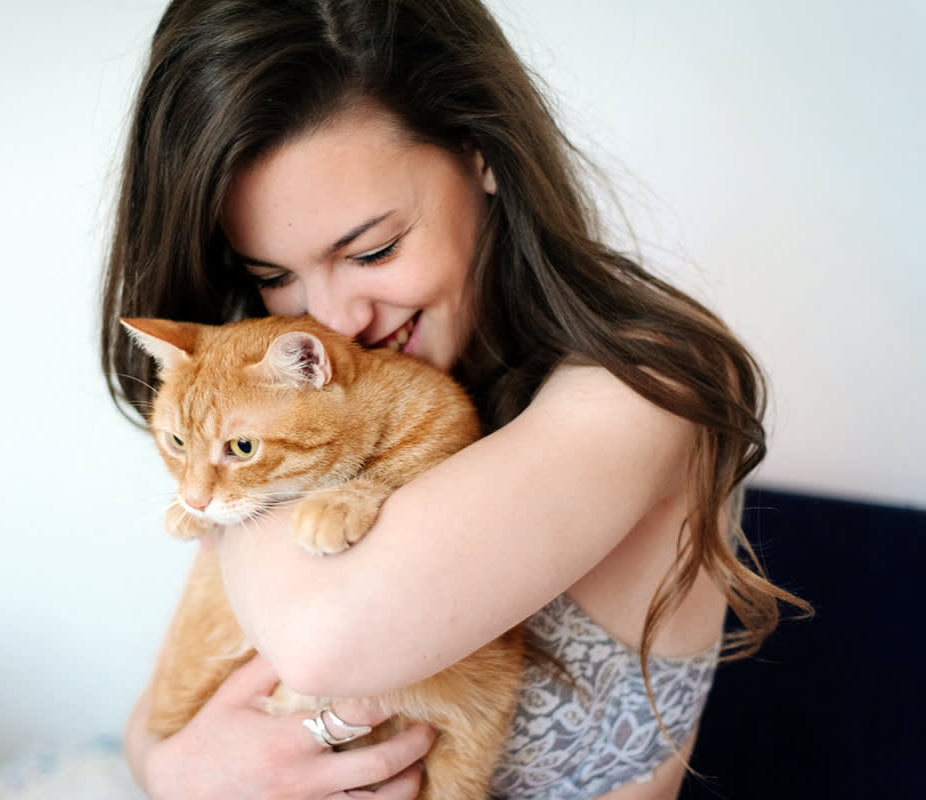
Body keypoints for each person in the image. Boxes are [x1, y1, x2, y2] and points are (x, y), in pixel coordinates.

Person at [99, 1, 808, 798]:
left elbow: (318, 641)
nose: (332, 320)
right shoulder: (290, 394)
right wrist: (170, 773)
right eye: (274, 276)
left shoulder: (649, 387)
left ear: (482, 154)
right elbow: (152, 716)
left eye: (374, 249)